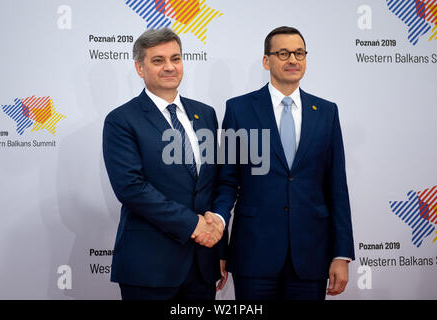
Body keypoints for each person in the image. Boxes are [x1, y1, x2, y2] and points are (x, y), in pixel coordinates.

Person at [211, 26, 355, 300]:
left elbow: (336, 187)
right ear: (267, 61)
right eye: (283, 53)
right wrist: (219, 249)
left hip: (311, 255)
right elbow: (227, 181)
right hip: (253, 254)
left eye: (299, 53)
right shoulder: (239, 109)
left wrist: (341, 253)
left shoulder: (326, 112)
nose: (293, 60)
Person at [102, 28, 227, 300]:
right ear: (139, 67)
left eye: (176, 58)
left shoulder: (205, 114)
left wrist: (218, 238)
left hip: (202, 266)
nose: (170, 67)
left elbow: (216, 181)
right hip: (149, 268)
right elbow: (131, 188)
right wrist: (194, 225)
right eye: (158, 60)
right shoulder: (122, 120)